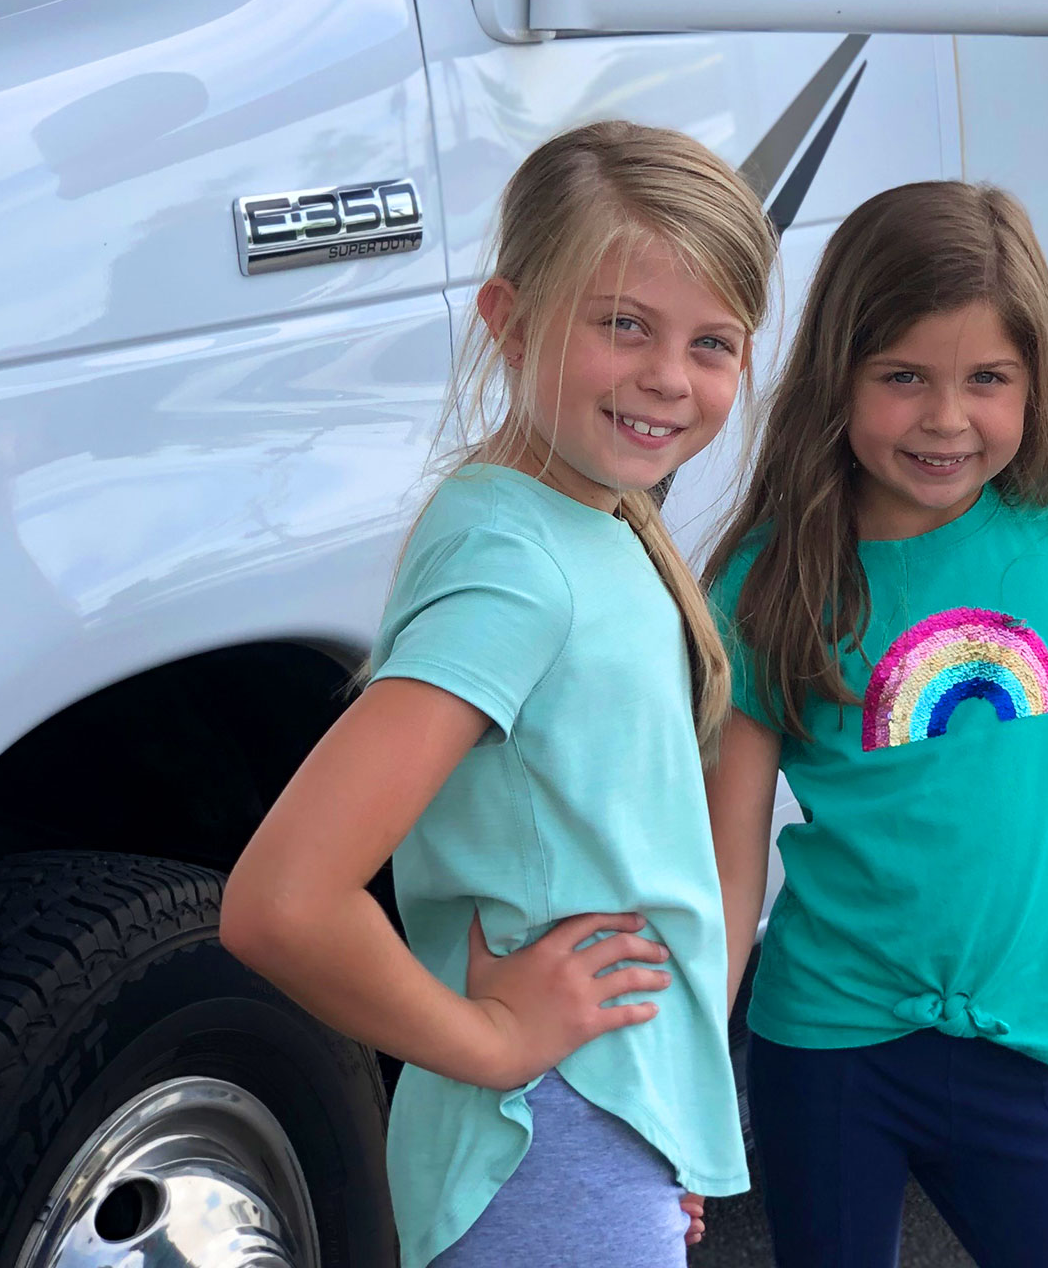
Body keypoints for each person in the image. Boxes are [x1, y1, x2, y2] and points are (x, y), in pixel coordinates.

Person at [222, 121, 777, 1268]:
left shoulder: (589, 513)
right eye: (624, 324)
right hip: (548, 1134)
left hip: (603, 1131)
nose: (670, 378)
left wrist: (665, 1129)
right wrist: (490, 1038)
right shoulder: (514, 566)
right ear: (511, 322)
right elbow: (283, 899)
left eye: (713, 342)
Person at [704, 181, 1048, 1268]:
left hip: (1028, 1048)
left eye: (987, 380)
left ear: (1033, 381)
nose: (946, 418)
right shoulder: (772, 578)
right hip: (828, 1045)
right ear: (841, 376)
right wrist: (684, 1085)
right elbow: (728, 872)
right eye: (904, 378)